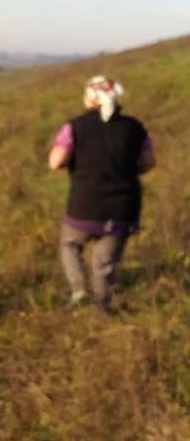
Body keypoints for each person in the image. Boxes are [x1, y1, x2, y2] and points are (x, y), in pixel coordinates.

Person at [49, 75, 155, 311]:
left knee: (69, 245)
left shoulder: (74, 127)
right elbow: (149, 162)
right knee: (104, 264)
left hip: (84, 205)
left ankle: (79, 290)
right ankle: (101, 309)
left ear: (88, 99)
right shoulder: (135, 127)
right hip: (123, 208)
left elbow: (56, 162)